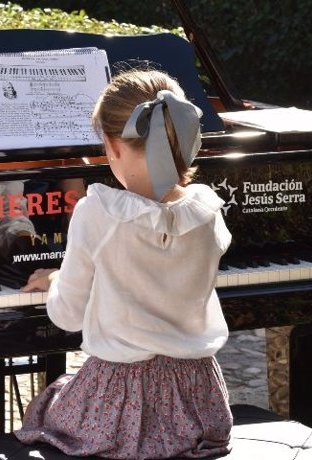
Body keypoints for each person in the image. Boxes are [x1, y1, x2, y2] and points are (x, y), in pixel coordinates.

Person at [14, 69, 233, 459]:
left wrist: (55, 282)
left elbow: (68, 316)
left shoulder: (99, 210)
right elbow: (151, 269)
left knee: (45, 408)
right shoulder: (208, 211)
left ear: (112, 146)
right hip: (200, 404)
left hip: (119, 407)